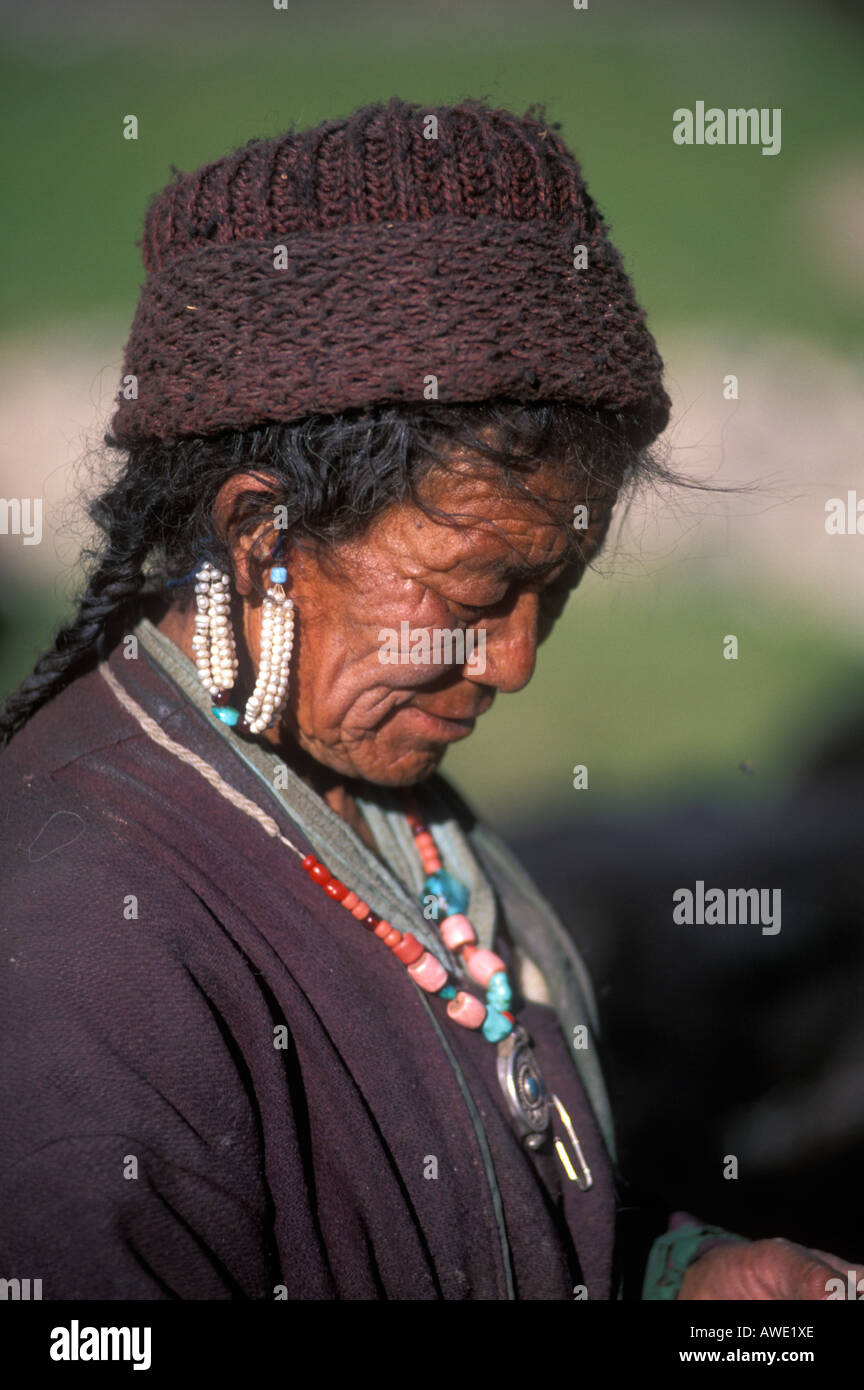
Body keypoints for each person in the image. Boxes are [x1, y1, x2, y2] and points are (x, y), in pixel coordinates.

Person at [0, 97, 858, 1301]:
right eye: (478, 591)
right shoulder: (85, 948)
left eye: (553, 590)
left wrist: (676, 1272)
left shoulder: (372, 788)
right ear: (262, 536)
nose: (513, 662)